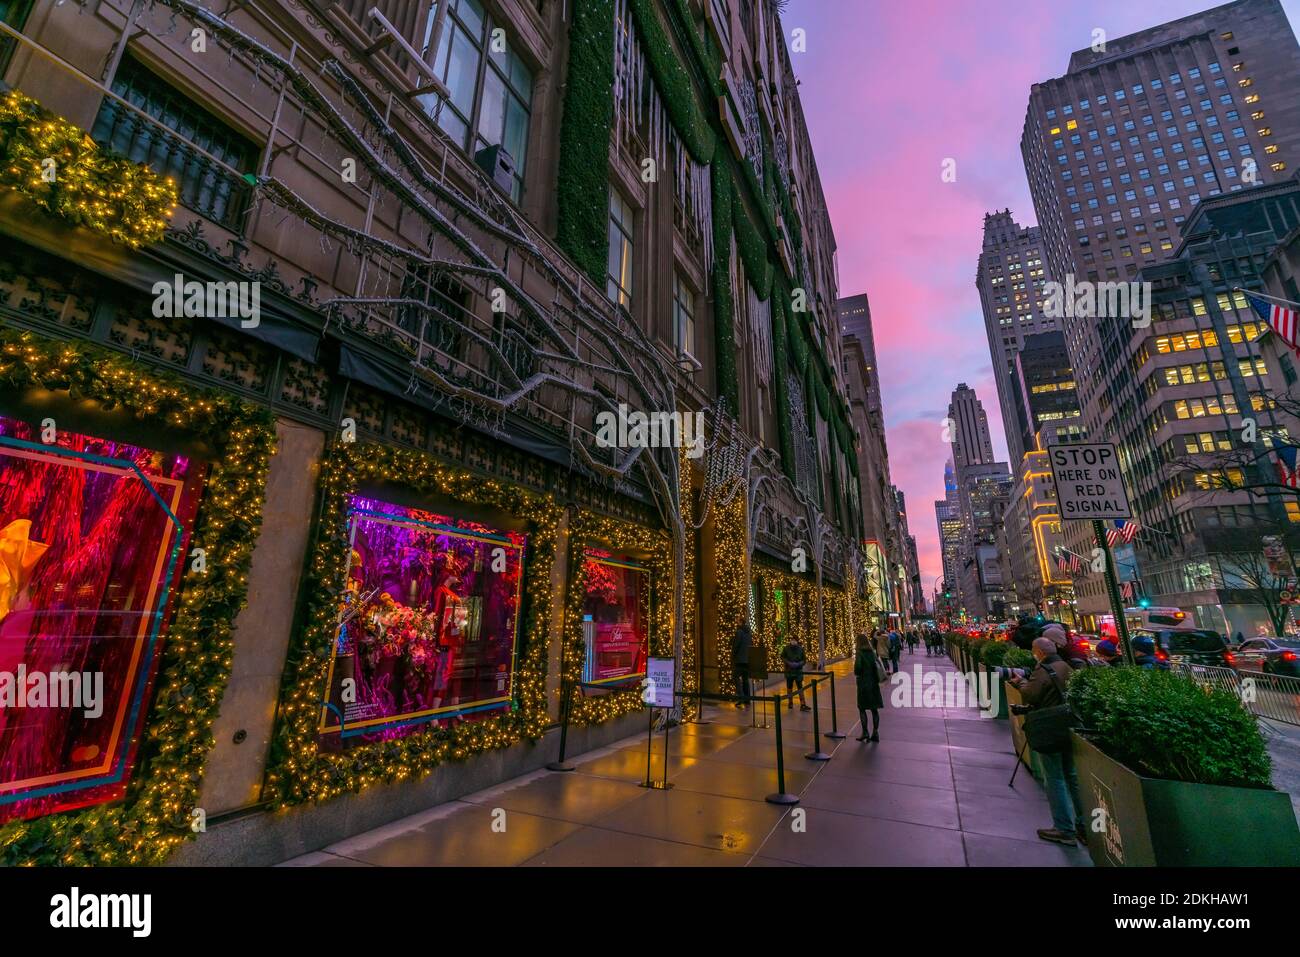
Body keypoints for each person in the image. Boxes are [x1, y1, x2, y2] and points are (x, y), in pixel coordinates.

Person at [1008, 636, 1085, 846]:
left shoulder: (1043, 671)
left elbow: (1030, 695)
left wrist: (1021, 681)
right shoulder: (1066, 667)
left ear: (1040, 652)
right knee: (1071, 775)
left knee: (1055, 778)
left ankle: (1064, 828)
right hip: (1068, 724)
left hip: (1050, 727)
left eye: (1034, 650)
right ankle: (1084, 826)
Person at [853, 633, 884, 742]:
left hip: (863, 684)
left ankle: (865, 732)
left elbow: (857, 668)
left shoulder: (860, 653)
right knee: (874, 709)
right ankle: (875, 732)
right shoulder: (872, 652)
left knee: (862, 708)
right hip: (873, 684)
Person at [780, 633, 811, 711]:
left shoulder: (801, 649)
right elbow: (782, 657)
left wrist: (799, 664)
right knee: (789, 687)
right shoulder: (786, 648)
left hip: (798, 672)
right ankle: (790, 702)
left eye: (794, 640)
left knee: (800, 687)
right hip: (789, 672)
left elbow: (804, 660)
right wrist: (788, 663)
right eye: (792, 640)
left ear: (797, 641)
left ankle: (803, 704)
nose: (793, 641)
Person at [731, 622, 753, 708]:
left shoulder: (739, 632)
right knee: (745, 680)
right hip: (747, 661)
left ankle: (741, 698)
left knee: (736, 678)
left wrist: (732, 656)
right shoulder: (748, 633)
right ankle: (747, 699)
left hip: (739, 660)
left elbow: (736, 646)